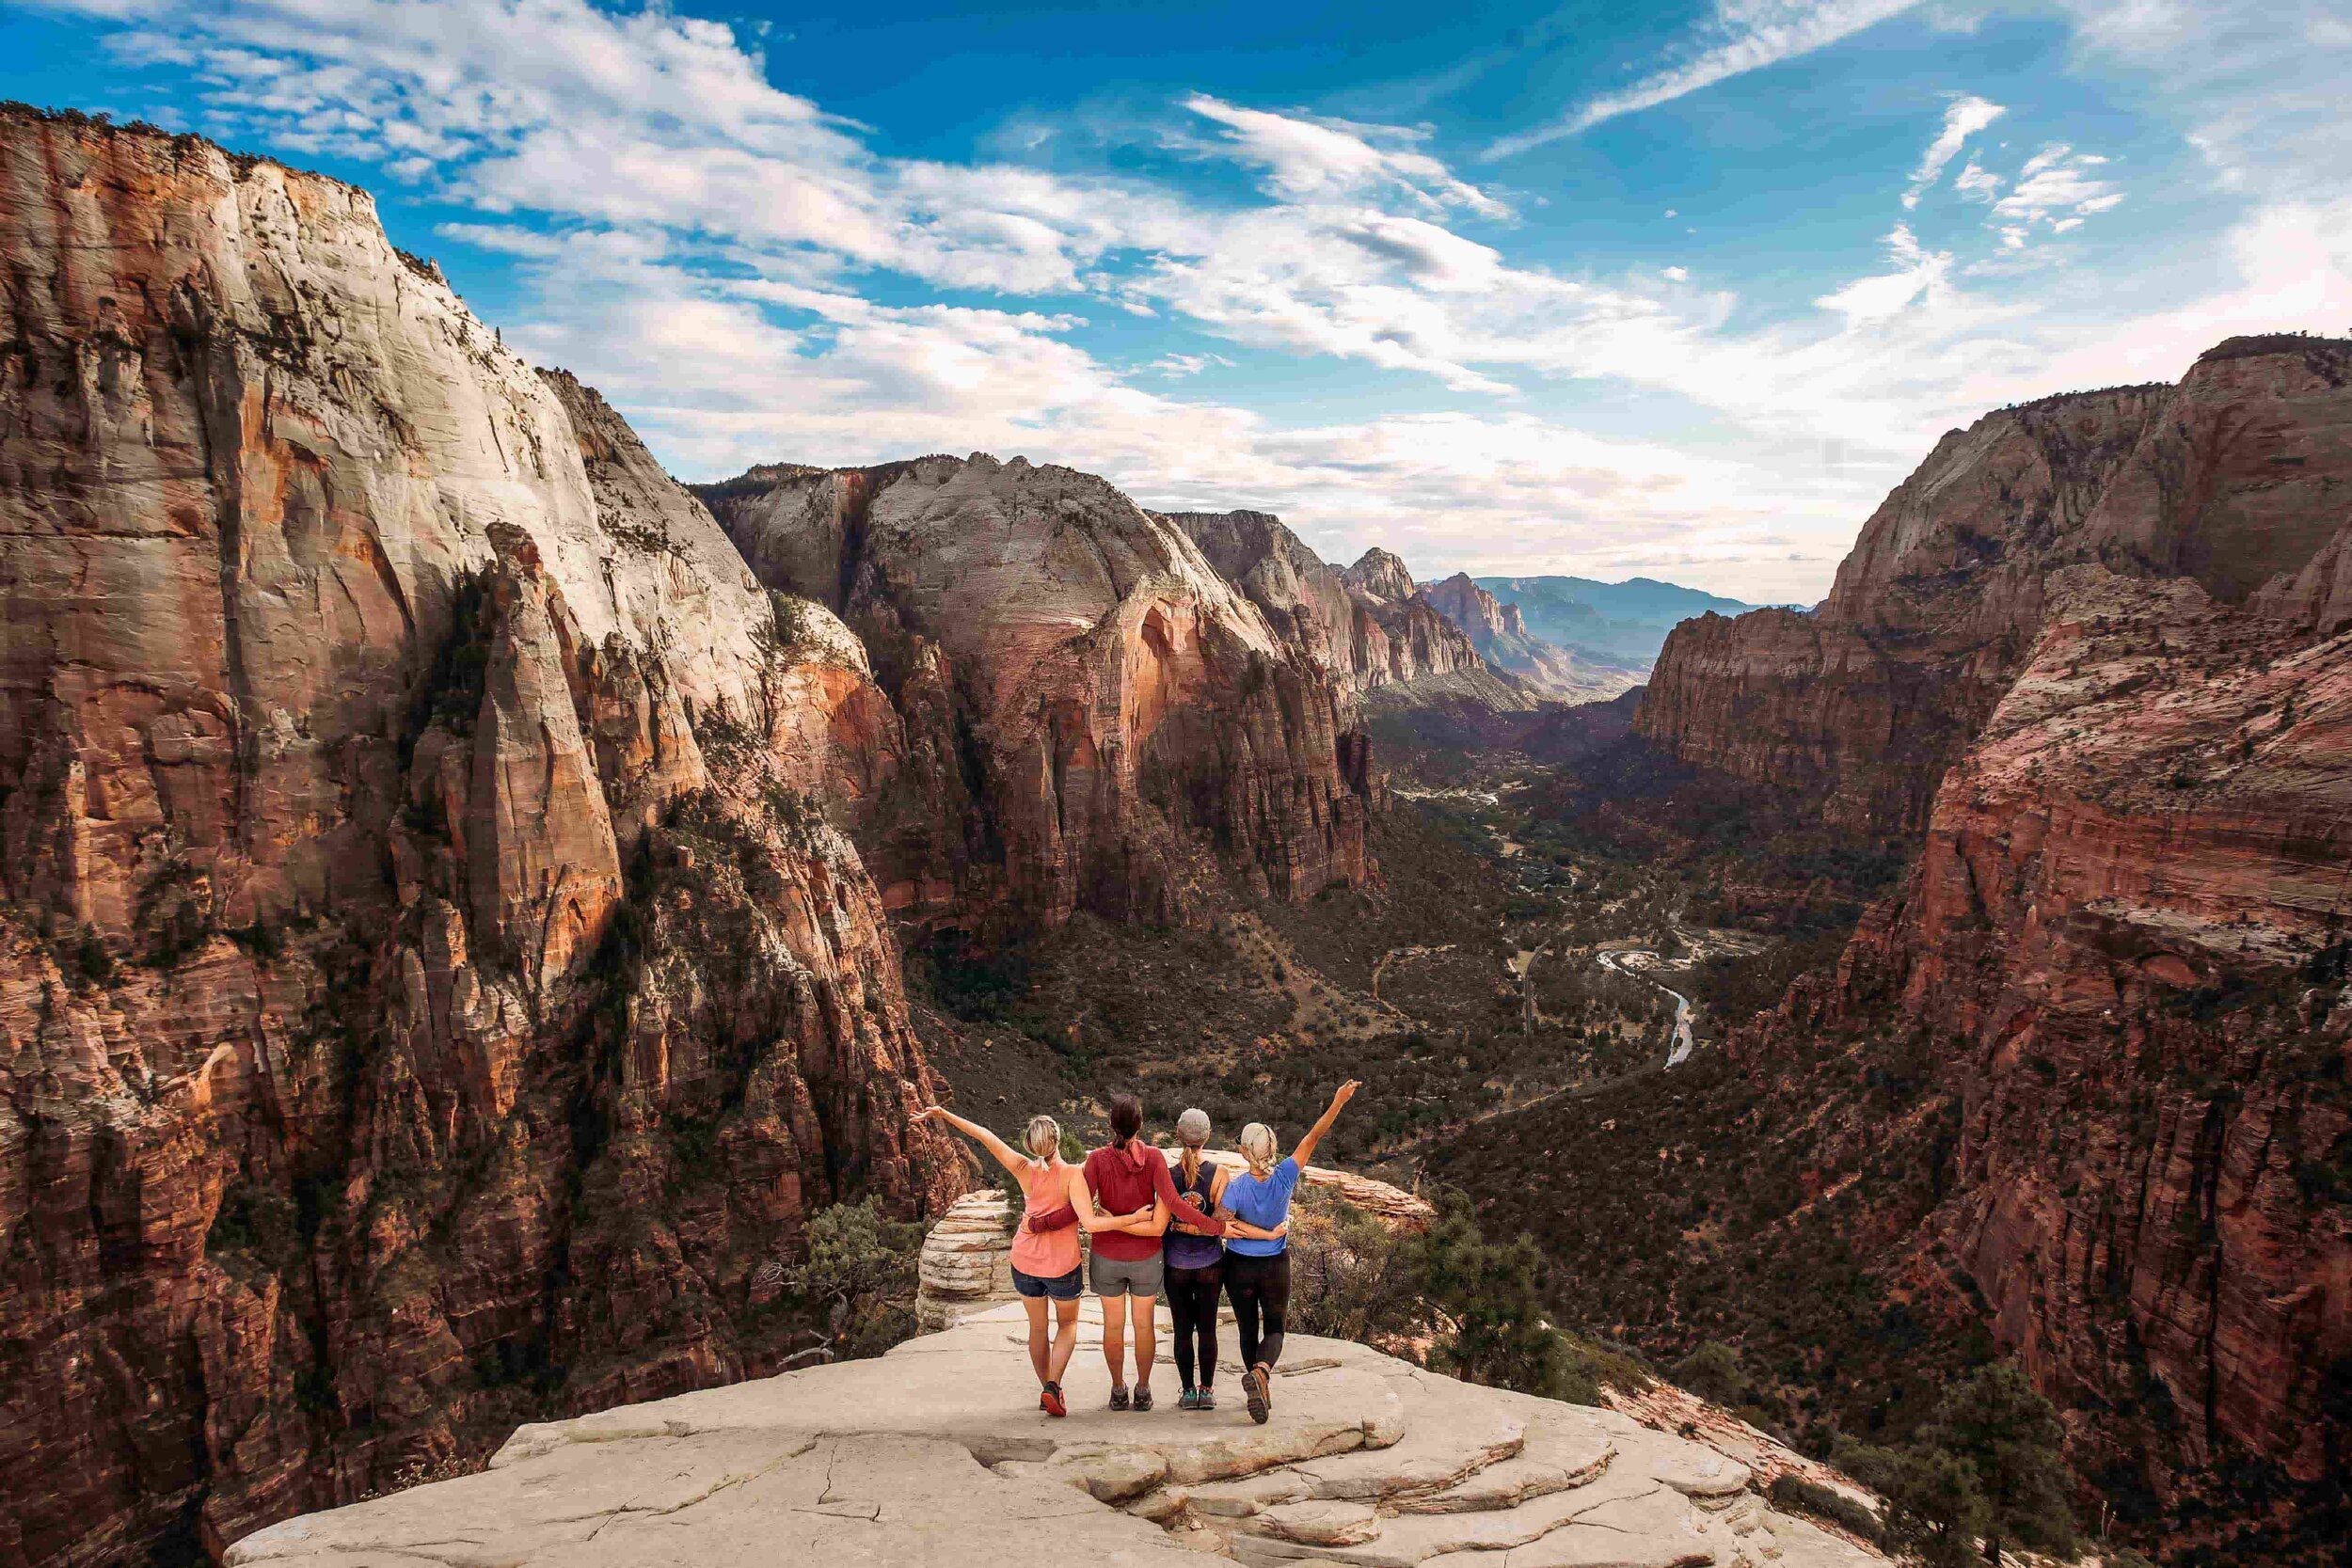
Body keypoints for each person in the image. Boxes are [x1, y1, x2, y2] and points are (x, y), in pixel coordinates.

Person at [914, 1103, 1150, 1417]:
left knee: (1037, 1329)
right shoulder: (1072, 1176)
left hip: (1024, 1262)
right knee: (1067, 1325)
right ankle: (1053, 1384)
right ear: (1058, 1139)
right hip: (1061, 1266)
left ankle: (1047, 1391)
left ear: (1030, 1144)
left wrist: (944, 1115)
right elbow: (1091, 1224)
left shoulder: (1023, 1169)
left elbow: (985, 1137)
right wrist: (1130, 1219)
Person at [1081, 1094, 1252, 1413]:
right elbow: (1174, 1205)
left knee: (1114, 1326)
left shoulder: (1097, 1160)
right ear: (1140, 1125)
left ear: (1110, 1124)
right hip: (1154, 1257)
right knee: (1149, 1326)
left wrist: (1111, 1222)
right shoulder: (1155, 1158)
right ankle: (1147, 1390)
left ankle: (1120, 1389)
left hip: (1112, 1256)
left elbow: (1082, 1208)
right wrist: (1214, 1228)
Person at [1218, 1080, 1360, 1425]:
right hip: (1274, 1264)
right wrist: (1339, 1100)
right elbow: (1314, 1135)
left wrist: (1253, 1231)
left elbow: (1221, 1225)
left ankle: (1257, 1382)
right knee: (1276, 1328)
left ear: (1243, 1153)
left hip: (1237, 1265)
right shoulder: (1285, 1176)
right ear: (1272, 1149)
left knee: (1247, 1329)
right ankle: (1263, 1373)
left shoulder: (1236, 1189)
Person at [1163, 1107, 1230, 1411]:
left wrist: (1179, 1226)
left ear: (1178, 1135)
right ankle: (1207, 1390)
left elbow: (1162, 1221)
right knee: (1207, 1329)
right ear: (1208, 1137)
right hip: (1210, 1264)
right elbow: (1218, 1225)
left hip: (1176, 1263)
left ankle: (1188, 1391)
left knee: (1181, 1329)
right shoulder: (1220, 1175)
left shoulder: (1168, 1175)